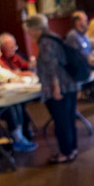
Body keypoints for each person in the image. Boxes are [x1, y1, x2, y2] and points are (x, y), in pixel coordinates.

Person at [24, 13, 79, 164]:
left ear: (35, 28)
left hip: (59, 87)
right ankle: (72, 150)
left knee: (61, 121)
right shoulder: (53, 36)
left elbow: (52, 66)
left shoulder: (45, 42)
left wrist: (55, 88)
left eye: (29, 30)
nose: (28, 33)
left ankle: (65, 153)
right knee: (69, 119)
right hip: (69, 84)